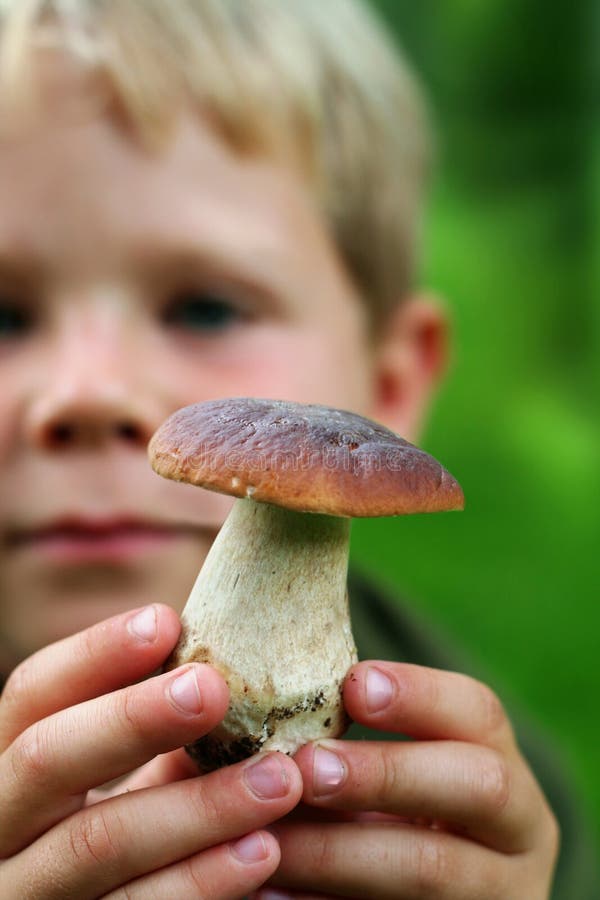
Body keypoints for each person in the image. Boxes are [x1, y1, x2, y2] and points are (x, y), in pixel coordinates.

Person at [0, 1, 595, 897]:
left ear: (390, 387)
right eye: (4, 317)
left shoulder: (460, 790)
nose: (87, 391)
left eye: (206, 306)